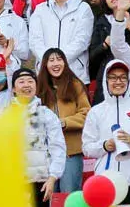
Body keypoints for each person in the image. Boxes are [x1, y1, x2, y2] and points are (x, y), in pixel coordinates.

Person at [83, 59, 130, 196]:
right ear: (106, 80)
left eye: (123, 77)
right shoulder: (96, 111)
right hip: (106, 179)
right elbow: (87, 148)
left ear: (129, 80)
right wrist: (105, 145)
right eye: (113, 77)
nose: (118, 82)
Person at [11, 67, 65, 207]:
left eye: (30, 81)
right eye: (21, 82)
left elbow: (58, 148)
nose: (26, 85)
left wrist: (52, 178)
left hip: (41, 181)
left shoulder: (47, 114)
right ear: (13, 89)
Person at [29, 0, 95, 83]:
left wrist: (59, 61)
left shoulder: (83, 8)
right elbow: (35, 41)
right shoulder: (40, 10)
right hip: (45, 74)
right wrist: (49, 61)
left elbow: (82, 41)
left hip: (75, 74)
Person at [36, 49, 90, 192]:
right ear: (45, 65)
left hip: (71, 151)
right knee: (48, 197)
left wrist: (64, 123)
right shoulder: (38, 88)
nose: (56, 63)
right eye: (51, 60)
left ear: (65, 63)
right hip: (46, 155)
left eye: (59, 59)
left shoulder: (75, 85)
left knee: (69, 195)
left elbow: (86, 114)